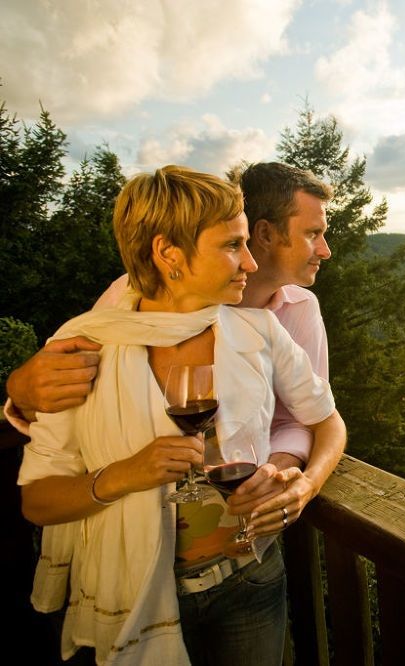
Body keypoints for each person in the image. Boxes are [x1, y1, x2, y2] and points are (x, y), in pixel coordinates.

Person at [18, 165, 342, 665]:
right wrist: (124, 475)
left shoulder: (259, 330)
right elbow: (37, 501)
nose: (250, 262)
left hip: (250, 580)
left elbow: (326, 419)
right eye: (232, 245)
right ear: (169, 252)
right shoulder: (89, 345)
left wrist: (303, 485)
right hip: (134, 591)